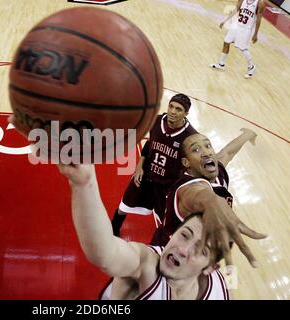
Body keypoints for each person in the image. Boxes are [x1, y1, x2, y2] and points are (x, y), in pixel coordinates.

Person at [58, 163, 265, 299]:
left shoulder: (221, 286)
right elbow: (104, 253)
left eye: (201, 250)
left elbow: (229, 279)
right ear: (173, 233)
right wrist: (83, 182)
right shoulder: (146, 264)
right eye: (184, 235)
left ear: (210, 268)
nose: (183, 250)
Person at [151, 130, 264, 266]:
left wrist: (248, 135)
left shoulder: (217, 173)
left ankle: (229, 282)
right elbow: (199, 194)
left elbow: (227, 152)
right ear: (186, 162)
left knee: (227, 276)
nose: (206, 152)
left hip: (196, 257)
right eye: (196, 149)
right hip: (165, 256)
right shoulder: (186, 187)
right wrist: (212, 201)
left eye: (208, 146)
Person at [111, 93, 197, 237]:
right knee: (124, 205)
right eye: (171, 106)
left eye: (178, 109)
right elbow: (148, 145)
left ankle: (160, 249)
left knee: (167, 223)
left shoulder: (190, 137)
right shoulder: (157, 121)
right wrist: (139, 167)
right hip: (146, 176)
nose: (173, 112)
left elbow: (191, 167)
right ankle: (113, 229)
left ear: (186, 113)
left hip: (167, 186)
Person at [210, 0, 264, 78]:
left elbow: (259, 19)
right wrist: (225, 20)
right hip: (236, 25)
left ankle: (251, 66)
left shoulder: (260, 3)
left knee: (242, 48)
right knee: (226, 42)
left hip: (246, 29)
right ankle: (221, 64)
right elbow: (236, 9)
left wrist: (255, 34)